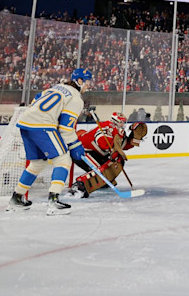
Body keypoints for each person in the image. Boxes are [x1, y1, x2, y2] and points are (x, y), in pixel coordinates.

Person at [8, 68, 92, 215]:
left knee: (38, 163)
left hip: (25, 123)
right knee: (64, 160)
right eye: (87, 82)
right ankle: (53, 202)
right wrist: (75, 145)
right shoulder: (76, 98)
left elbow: (36, 100)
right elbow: (65, 129)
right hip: (42, 126)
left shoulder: (55, 88)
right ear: (79, 81)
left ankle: (17, 198)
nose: (88, 85)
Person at [70, 112, 147, 197]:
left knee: (118, 162)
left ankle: (103, 181)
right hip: (81, 150)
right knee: (100, 170)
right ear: (115, 121)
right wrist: (113, 150)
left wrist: (134, 138)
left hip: (93, 152)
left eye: (124, 122)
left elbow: (123, 145)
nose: (123, 124)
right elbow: (101, 141)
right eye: (121, 122)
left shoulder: (119, 131)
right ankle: (79, 186)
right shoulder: (107, 127)